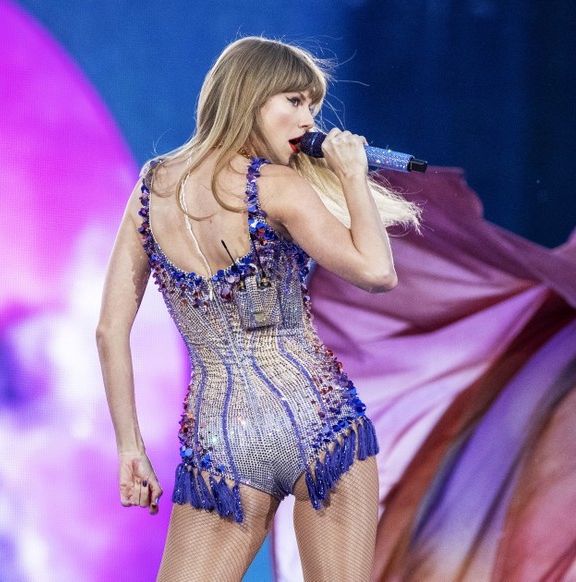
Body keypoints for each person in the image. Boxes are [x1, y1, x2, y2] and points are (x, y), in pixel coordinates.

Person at [95, 36, 419, 581]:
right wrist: (352, 176)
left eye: (312, 105)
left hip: (222, 444)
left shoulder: (153, 188)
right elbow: (378, 272)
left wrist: (130, 447)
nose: (308, 119)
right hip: (321, 424)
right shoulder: (277, 186)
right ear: (248, 97)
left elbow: (109, 331)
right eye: (294, 100)